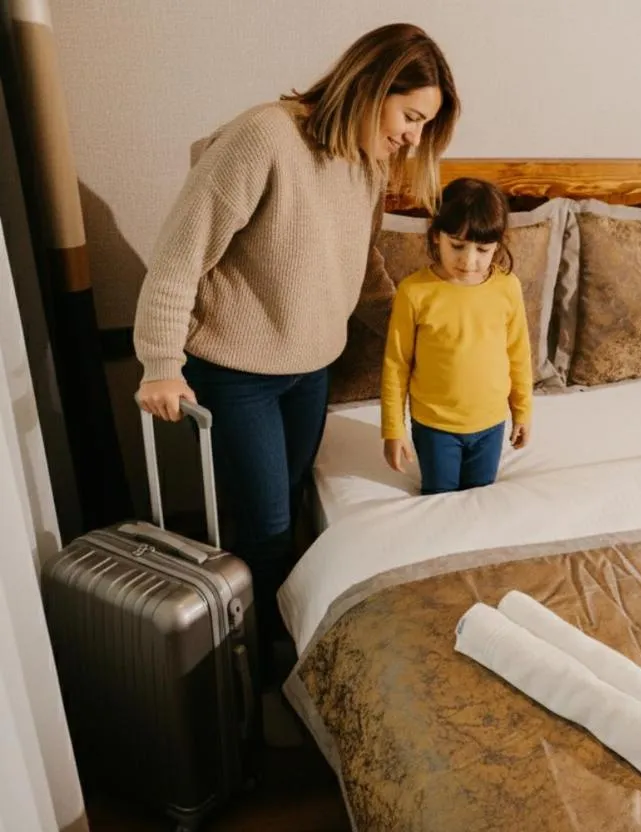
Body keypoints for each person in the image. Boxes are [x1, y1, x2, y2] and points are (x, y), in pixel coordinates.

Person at [132, 23, 460, 684]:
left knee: (288, 514)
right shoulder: (265, 137)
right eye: (410, 117)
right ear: (371, 85)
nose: (412, 138)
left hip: (312, 371)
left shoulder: (367, 162)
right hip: (236, 373)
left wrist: (413, 328)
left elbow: (361, 265)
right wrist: (160, 362)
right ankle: (255, 677)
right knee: (266, 527)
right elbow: (179, 256)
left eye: (424, 126)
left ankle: (274, 653)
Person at [380, 178, 533, 493]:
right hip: (436, 427)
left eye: (483, 249)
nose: (469, 260)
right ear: (437, 236)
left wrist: (522, 411)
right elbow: (396, 364)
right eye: (458, 245)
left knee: (478, 503)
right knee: (441, 501)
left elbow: (518, 354)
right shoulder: (415, 292)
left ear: (498, 244)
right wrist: (393, 429)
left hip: (491, 424)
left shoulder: (507, 288)